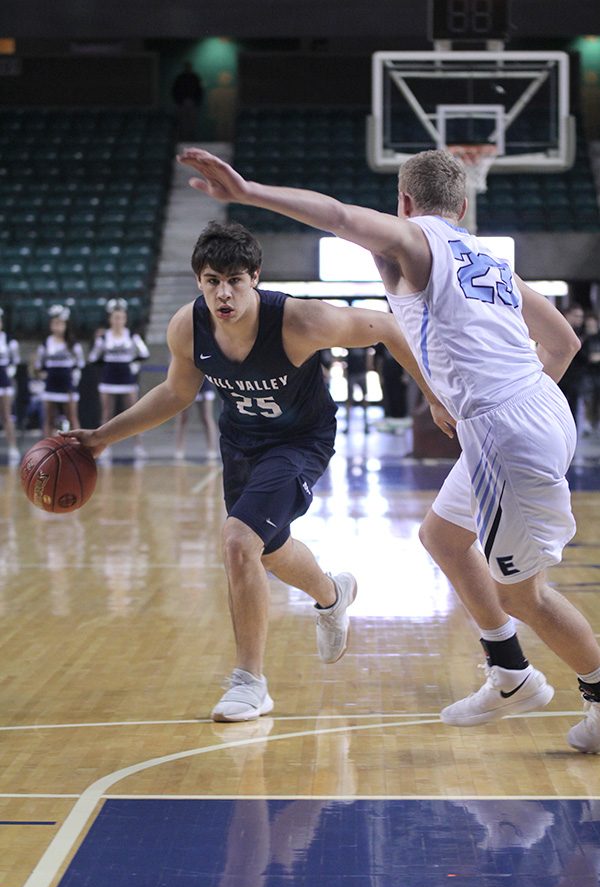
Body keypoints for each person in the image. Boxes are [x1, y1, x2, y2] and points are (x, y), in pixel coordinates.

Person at [177, 146, 600, 752]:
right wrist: (516, 407)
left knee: (520, 592)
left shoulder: (416, 241)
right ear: (462, 204)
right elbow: (560, 342)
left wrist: (248, 193)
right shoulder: (486, 255)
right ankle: (509, 670)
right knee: (444, 537)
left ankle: (599, 698)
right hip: (531, 409)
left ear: (403, 203)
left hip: (506, 428)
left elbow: (340, 217)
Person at [64, 220, 453, 723]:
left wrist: (431, 393)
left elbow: (387, 327)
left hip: (300, 442)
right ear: (199, 282)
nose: (223, 293)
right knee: (266, 550)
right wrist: (100, 438)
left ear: (255, 278)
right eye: (211, 281)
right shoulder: (189, 326)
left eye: (234, 280)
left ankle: (250, 683)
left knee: (236, 541)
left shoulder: (300, 321)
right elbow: (176, 393)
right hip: (242, 442)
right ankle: (333, 594)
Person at [88, 298, 150, 460]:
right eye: (115, 317)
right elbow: (94, 357)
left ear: (125, 319)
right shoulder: (104, 337)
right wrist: (97, 342)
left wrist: (133, 362)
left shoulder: (131, 336)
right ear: (110, 319)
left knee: (134, 413)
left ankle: (139, 445)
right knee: (107, 413)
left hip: (127, 379)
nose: (118, 321)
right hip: (108, 378)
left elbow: (144, 353)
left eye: (121, 317)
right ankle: (104, 445)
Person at [35, 305, 84, 437]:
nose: (57, 326)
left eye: (60, 323)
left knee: (72, 418)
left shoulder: (73, 344)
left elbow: (80, 364)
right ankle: (46, 448)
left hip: (68, 384)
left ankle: (78, 448)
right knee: (49, 419)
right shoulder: (46, 344)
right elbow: (39, 365)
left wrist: (74, 380)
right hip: (51, 384)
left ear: (66, 324)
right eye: (54, 323)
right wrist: (42, 377)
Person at [174, 379, 219, 460]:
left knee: (207, 417)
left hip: (205, 385)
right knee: (183, 418)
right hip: (188, 384)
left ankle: (211, 449)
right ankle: (179, 449)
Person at [557, 304, 586, 431]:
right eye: (576, 316)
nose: (579, 319)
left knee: (573, 408)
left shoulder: (583, 332)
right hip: (559, 375)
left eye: (581, 317)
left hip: (576, 376)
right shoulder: (556, 328)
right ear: (567, 315)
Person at [0, 307, 21, 464]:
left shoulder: (8, 340)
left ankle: (13, 447)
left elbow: (15, 361)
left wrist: (10, 372)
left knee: (7, 415)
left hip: (4, 382)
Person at [171, 61, 204, 141]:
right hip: (181, 103)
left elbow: (199, 91)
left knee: (192, 123)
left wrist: (195, 102)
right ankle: (182, 138)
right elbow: (175, 90)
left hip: (193, 103)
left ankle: (192, 139)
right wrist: (180, 101)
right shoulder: (180, 78)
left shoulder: (195, 77)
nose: (187, 69)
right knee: (182, 122)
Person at [581, 312, 600, 437]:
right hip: (587, 373)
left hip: (598, 372)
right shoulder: (584, 338)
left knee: (597, 400)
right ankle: (588, 422)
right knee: (588, 398)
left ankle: (595, 422)